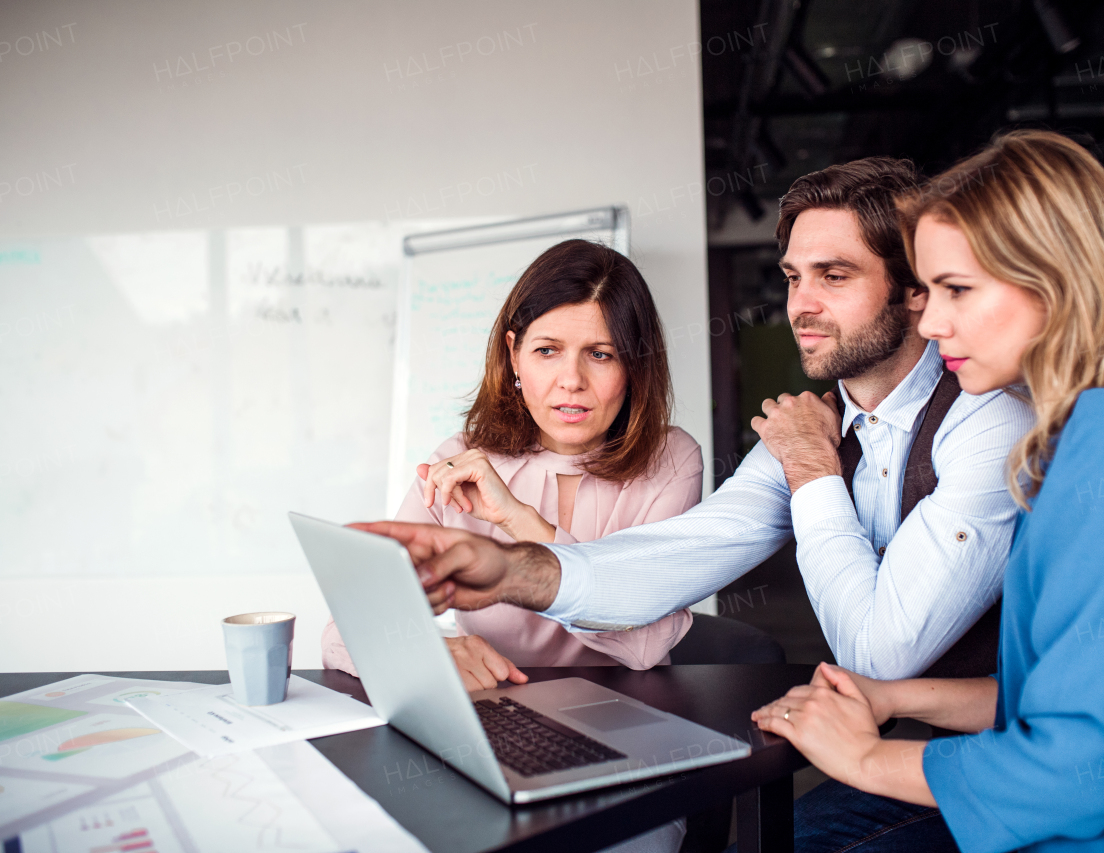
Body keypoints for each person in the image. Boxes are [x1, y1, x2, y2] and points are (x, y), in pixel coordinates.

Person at [351, 157, 1036, 851]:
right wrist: (507, 569)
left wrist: (810, 467)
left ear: (912, 291)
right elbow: (670, 561)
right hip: (904, 745)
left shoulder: (986, 422)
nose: (801, 305)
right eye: (794, 277)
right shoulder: (806, 429)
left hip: (1025, 761)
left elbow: (880, 651)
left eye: (835, 275)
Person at [751, 130, 1104, 852]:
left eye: (957, 289)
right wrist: (895, 696)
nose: (930, 319)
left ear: (1057, 276)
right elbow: (1065, 694)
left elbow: (1073, 766)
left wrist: (862, 755)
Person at [325, 238, 699, 853]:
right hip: (486, 729)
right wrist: (425, 651)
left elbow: (641, 644)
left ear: (636, 365)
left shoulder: (671, 460)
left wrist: (520, 518)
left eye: (600, 354)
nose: (570, 382)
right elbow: (347, 629)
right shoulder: (459, 458)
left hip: (623, 734)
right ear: (514, 355)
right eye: (547, 350)